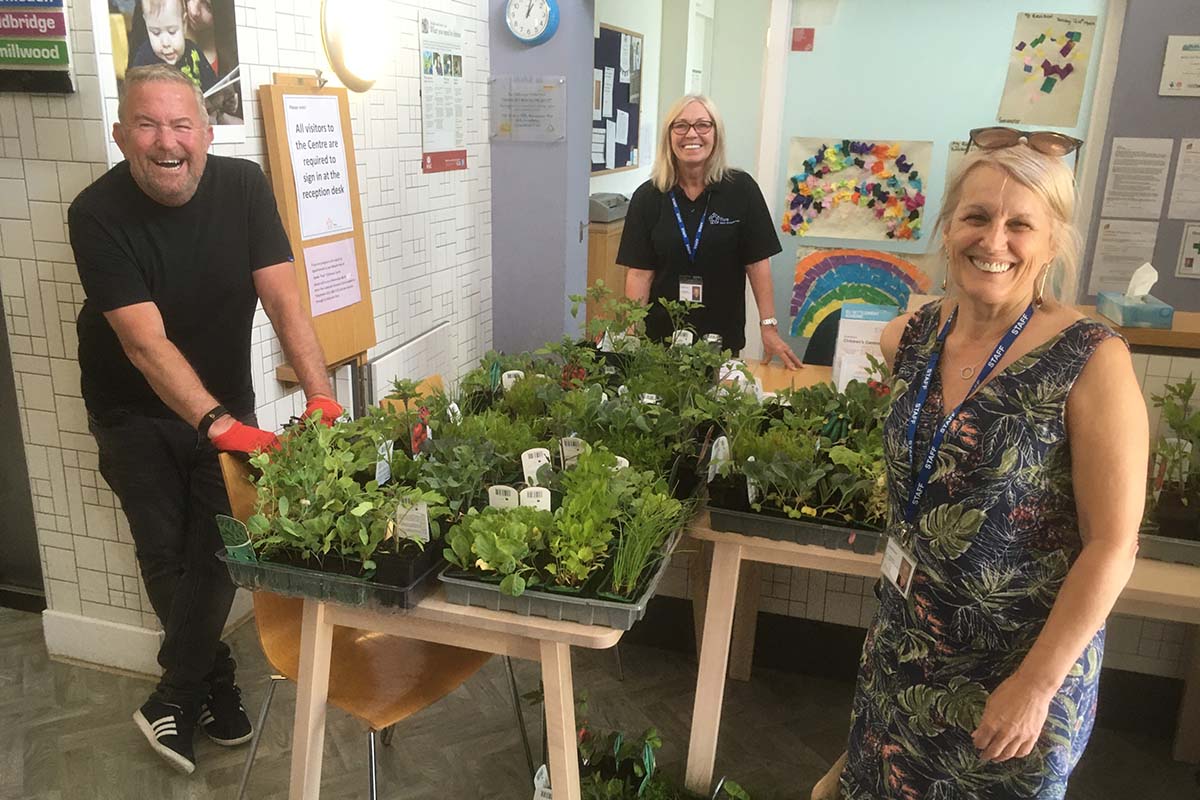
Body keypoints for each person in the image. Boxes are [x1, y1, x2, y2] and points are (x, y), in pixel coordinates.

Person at [827, 130, 1147, 799]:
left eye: (1019, 224)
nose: (993, 241)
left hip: (1017, 681)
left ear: (1052, 241)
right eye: (976, 216)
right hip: (905, 650)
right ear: (947, 229)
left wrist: (1035, 686)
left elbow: (1114, 545)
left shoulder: (1091, 361)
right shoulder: (912, 336)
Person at [68, 65, 343, 775]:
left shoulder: (244, 187)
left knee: (226, 546)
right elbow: (143, 341)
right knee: (166, 553)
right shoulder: (94, 213)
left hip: (226, 397)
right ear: (122, 133)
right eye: (149, 125)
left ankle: (176, 692)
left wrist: (322, 397)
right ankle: (208, 682)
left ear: (206, 132)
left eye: (181, 124)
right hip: (131, 409)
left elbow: (286, 302)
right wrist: (218, 424)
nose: (167, 142)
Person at [617, 94, 802, 367]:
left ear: (716, 134)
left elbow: (757, 263)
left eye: (703, 125)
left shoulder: (742, 190)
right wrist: (629, 335)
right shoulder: (648, 196)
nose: (692, 133)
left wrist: (769, 327)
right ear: (669, 136)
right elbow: (640, 273)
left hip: (722, 340)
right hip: (661, 340)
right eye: (681, 126)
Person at [130, 0, 217, 92]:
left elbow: (212, 85)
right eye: (156, 33)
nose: (165, 43)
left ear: (184, 24)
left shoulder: (193, 52)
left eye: (172, 32)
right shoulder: (144, 59)